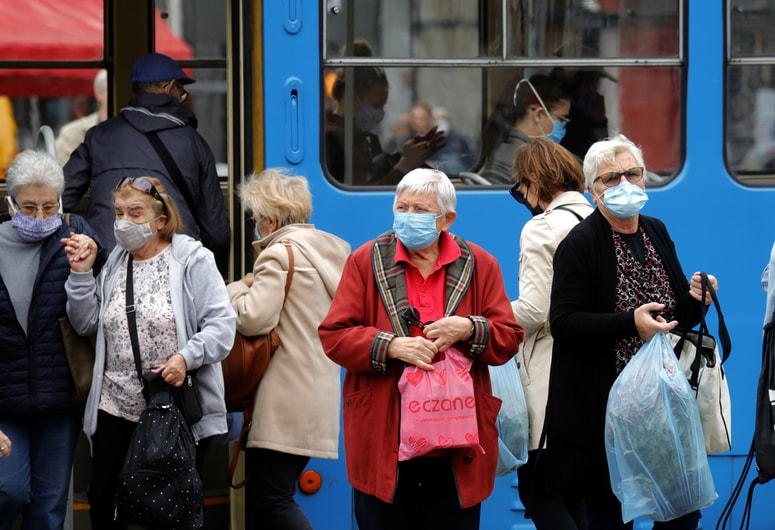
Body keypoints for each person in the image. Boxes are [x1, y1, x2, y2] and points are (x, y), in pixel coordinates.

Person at [318, 168, 524, 530]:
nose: (408, 217)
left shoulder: (480, 264)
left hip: (455, 444)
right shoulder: (366, 261)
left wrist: (468, 328)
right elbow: (334, 335)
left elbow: (508, 336)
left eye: (420, 210)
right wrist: (392, 346)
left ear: (447, 219)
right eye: (402, 207)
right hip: (386, 438)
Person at [545, 134, 718, 530]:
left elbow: (674, 317)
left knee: (682, 514)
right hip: (604, 416)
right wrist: (629, 323)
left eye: (632, 174)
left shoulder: (655, 231)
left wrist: (699, 300)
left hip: (660, 411)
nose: (624, 184)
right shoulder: (580, 243)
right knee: (608, 517)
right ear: (592, 191)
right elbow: (565, 323)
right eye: (610, 178)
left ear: (644, 179)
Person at [62, 176, 235, 530]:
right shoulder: (115, 263)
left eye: (135, 213)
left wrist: (186, 358)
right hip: (114, 404)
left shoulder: (191, 259)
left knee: (169, 507)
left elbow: (221, 325)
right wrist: (80, 277)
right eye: (119, 212)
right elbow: (88, 325)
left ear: (160, 219)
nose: (124, 221)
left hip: (171, 407)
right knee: (104, 500)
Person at [227, 168, 350, 529]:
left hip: (284, 398)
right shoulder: (332, 251)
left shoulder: (278, 253)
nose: (254, 225)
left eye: (254, 218)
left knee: (271, 499)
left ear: (270, 220)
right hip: (315, 394)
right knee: (270, 497)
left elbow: (253, 318)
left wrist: (236, 289)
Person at [0, 149, 107, 530]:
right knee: (7, 489)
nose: (41, 217)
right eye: (29, 208)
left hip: (58, 398)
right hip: (4, 402)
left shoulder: (76, 237)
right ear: (10, 204)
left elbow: (96, 315)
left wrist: (92, 262)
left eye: (50, 206)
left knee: (48, 509)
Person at [62, 52, 230, 275]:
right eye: (181, 89)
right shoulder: (194, 142)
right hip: (175, 267)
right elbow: (216, 231)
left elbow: (59, 199)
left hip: (107, 263)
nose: (183, 95)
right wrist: (216, 275)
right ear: (170, 88)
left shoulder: (99, 136)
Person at [508, 137, 594, 528]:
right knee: (578, 497)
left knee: (541, 492)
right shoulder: (599, 220)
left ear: (534, 182)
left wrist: (480, 317)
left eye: (520, 187)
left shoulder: (541, 228)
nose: (522, 197)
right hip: (597, 375)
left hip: (551, 376)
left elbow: (534, 310)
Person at [324, 40, 445, 186]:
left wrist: (410, 156)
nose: (380, 113)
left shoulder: (366, 140)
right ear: (350, 97)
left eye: (383, 106)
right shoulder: (333, 141)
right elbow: (364, 196)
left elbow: (382, 171)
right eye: (375, 105)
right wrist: (405, 164)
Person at [480, 75, 571, 184]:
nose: (563, 126)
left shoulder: (509, 151)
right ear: (539, 115)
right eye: (561, 119)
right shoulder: (523, 161)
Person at [55, 69, 108, 166]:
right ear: (98, 93)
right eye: (112, 90)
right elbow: (61, 177)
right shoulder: (71, 134)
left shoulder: (135, 133)